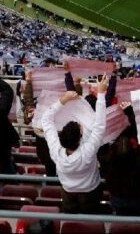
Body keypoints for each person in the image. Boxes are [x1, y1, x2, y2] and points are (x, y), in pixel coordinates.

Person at [42, 74, 108, 214]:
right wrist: (101, 94)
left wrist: (63, 100)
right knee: (91, 217)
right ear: (81, 137)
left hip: (68, 192)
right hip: (90, 191)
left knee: (70, 219)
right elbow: (100, 126)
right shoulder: (88, 150)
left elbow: (46, 120)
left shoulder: (56, 150)